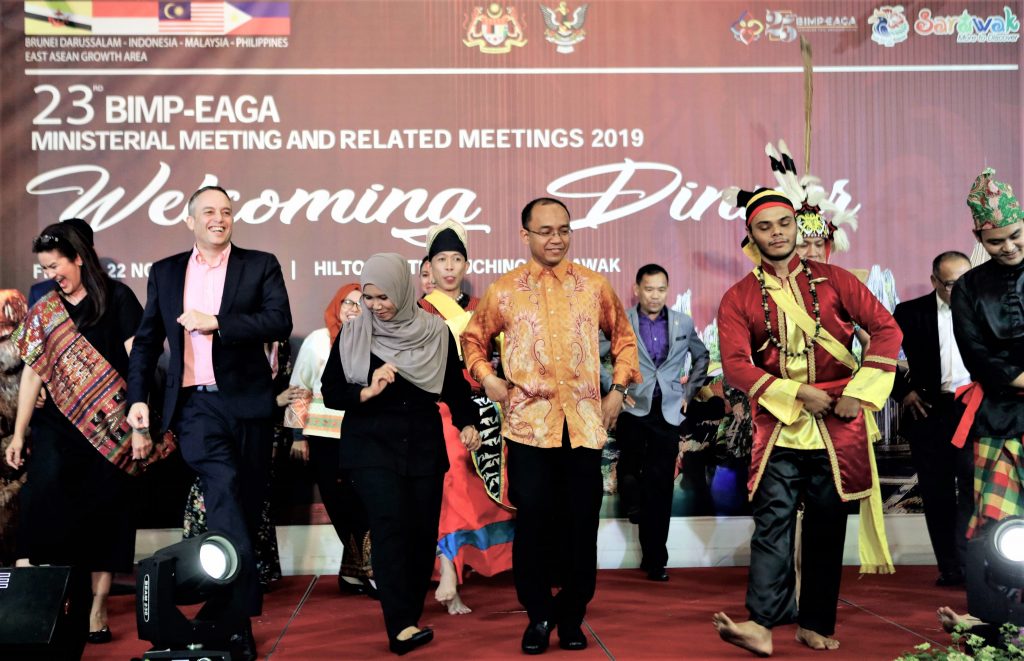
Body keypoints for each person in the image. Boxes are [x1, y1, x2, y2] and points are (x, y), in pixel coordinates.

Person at [712, 185, 902, 656]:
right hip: (778, 423)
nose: (776, 233)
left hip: (839, 421)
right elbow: (735, 366)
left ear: (796, 228)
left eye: (784, 224)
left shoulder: (836, 280)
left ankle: (814, 623)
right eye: (765, 227)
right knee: (771, 523)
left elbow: (886, 330)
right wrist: (797, 392)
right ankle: (761, 623)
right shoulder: (738, 297)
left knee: (826, 526)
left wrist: (858, 394)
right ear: (750, 235)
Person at [462, 197, 641, 655]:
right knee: (534, 526)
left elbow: (624, 339)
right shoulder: (505, 290)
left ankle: (573, 615)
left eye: (563, 229)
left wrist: (618, 390)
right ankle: (539, 615)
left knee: (582, 525)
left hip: (583, 426)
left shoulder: (593, 286)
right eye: (545, 231)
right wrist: (487, 378)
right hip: (529, 429)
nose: (556, 238)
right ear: (525, 235)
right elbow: (473, 340)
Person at [126, 185, 293, 661]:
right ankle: (240, 617)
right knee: (222, 491)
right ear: (190, 220)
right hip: (196, 408)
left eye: (226, 211)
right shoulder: (165, 272)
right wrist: (137, 399)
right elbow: (146, 342)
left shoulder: (260, 264)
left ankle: (225, 612)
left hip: (249, 406)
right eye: (208, 212)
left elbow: (279, 321)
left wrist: (218, 321)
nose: (218, 219)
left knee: (244, 506)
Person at [321, 252, 481, 655]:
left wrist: (467, 423)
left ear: (402, 291)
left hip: (423, 445)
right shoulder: (354, 333)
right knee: (389, 529)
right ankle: (400, 626)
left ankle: (409, 615)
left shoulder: (435, 332)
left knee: (421, 535)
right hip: (371, 446)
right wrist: (366, 391)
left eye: (383, 297)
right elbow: (331, 390)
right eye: (369, 297)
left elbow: (454, 386)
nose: (375, 306)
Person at [5, 224, 158, 644]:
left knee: (106, 515)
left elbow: (139, 362)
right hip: (56, 427)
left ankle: (98, 608)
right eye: (44, 268)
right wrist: (19, 433)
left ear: (78, 257)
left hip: (109, 429)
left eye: (56, 265)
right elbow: (33, 372)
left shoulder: (117, 298)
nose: (51, 274)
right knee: (41, 505)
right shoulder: (44, 304)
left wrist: (140, 423)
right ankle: (40, 607)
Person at [938, 168, 1024, 636]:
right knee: (996, 522)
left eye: (1014, 236)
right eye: (995, 242)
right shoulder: (969, 287)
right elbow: (976, 355)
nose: (1007, 247)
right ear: (979, 240)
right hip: (998, 419)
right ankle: (995, 621)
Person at [418, 220, 515, 615]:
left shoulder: (484, 309)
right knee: (453, 481)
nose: (449, 267)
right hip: (441, 410)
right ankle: (449, 570)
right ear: (429, 265)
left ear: (466, 264)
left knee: (498, 486)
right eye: (441, 259)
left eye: (456, 259)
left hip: (490, 408)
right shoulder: (419, 311)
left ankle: (495, 562)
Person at [603, 263, 709, 581]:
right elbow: (592, 353)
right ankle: (633, 503)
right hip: (633, 407)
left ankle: (655, 560)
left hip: (669, 410)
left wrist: (690, 390)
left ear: (667, 291)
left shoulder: (682, 322)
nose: (655, 295)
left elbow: (702, 356)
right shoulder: (622, 321)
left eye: (661, 289)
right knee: (630, 470)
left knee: (661, 486)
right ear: (637, 289)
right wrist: (615, 389)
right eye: (649, 289)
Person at [285, 283, 375, 596]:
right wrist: (298, 436)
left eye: (360, 304)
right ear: (337, 305)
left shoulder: (372, 341)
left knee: (363, 503)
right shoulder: (318, 340)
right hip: (324, 438)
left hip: (361, 437)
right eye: (347, 302)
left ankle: (355, 574)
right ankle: (364, 572)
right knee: (339, 505)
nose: (352, 309)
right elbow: (300, 387)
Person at [891, 251, 974, 587]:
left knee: (973, 490)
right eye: (951, 284)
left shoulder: (985, 307)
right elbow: (877, 356)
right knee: (937, 494)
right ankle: (950, 567)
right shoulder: (910, 313)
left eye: (965, 282)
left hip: (974, 409)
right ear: (935, 282)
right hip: (929, 411)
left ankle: (973, 565)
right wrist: (903, 392)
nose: (959, 290)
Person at [27, 218, 95, 307]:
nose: (50, 275)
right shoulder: (39, 294)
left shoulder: (110, 294)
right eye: (44, 267)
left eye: (54, 266)